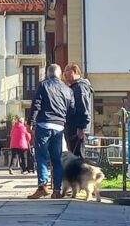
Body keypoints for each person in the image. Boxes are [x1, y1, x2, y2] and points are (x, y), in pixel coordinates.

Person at [27, 64, 75, 199]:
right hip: (59, 126)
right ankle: (57, 190)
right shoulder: (67, 89)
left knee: (41, 156)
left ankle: (43, 186)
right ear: (60, 74)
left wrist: (30, 122)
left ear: (48, 74)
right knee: (57, 159)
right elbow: (71, 109)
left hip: (44, 124)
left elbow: (36, 103)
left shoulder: (43, 85)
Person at [63, 64, 93, 158]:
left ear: (75, 72)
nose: (65, 74)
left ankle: (80, 173)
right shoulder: (74, 87)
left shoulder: (80, 87)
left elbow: (83, 107)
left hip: (77, 129)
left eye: (68, 71)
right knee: (74, 155)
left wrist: (81, 127)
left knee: (78, 156)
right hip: (73, 127)